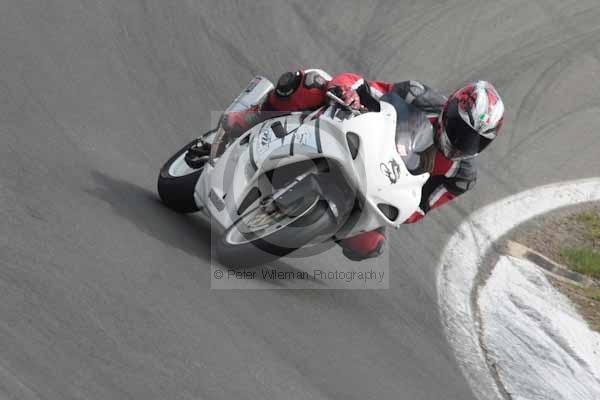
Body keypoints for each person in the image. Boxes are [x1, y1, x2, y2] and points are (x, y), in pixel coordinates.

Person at [222, 69, 505, 261]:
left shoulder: (461, 175)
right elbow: (363, 85)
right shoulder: (419, 97)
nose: (463, 142)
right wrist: (347, 92)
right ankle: (253, 115)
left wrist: (398, 201)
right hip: (357, 138)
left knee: (368, 246)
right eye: (460, 129)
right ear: (450, 110)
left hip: (381, 183)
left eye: (475, 141)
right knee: (311, 83)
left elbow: (420, 208)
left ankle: (303, 223)